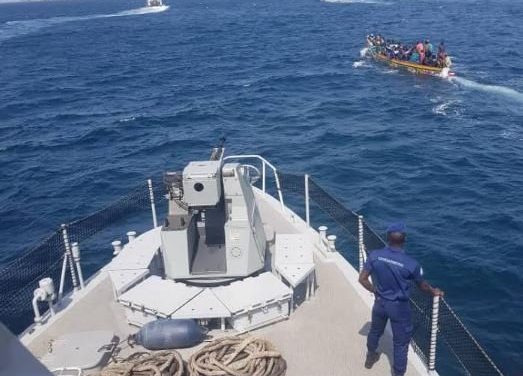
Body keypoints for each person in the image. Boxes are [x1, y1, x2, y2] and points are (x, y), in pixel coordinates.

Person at [359, 223, 444, 376]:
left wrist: (376, 291)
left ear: (387, 238)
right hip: (399, 308)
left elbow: (362, 279)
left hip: (380, 303)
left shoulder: (374, 255)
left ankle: (370, 357)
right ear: (404, 240)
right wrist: (434, 291)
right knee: (400, 344)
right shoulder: (411, 264)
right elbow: (423, 286)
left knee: (375, 331)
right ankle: (398, 373)